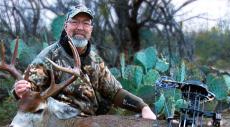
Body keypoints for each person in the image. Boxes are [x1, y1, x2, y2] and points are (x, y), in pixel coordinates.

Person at [14, 4, 156, 120]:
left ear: (91, 29)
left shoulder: (95, 60)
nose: (80, 28)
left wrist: (143, 107)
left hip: (90, 124)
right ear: (65, 26)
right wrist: (21, 89)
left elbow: (115, 93)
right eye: (74, 22)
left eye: (85, 23)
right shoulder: (49, 56)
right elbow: (29, 86)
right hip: (60, 125)